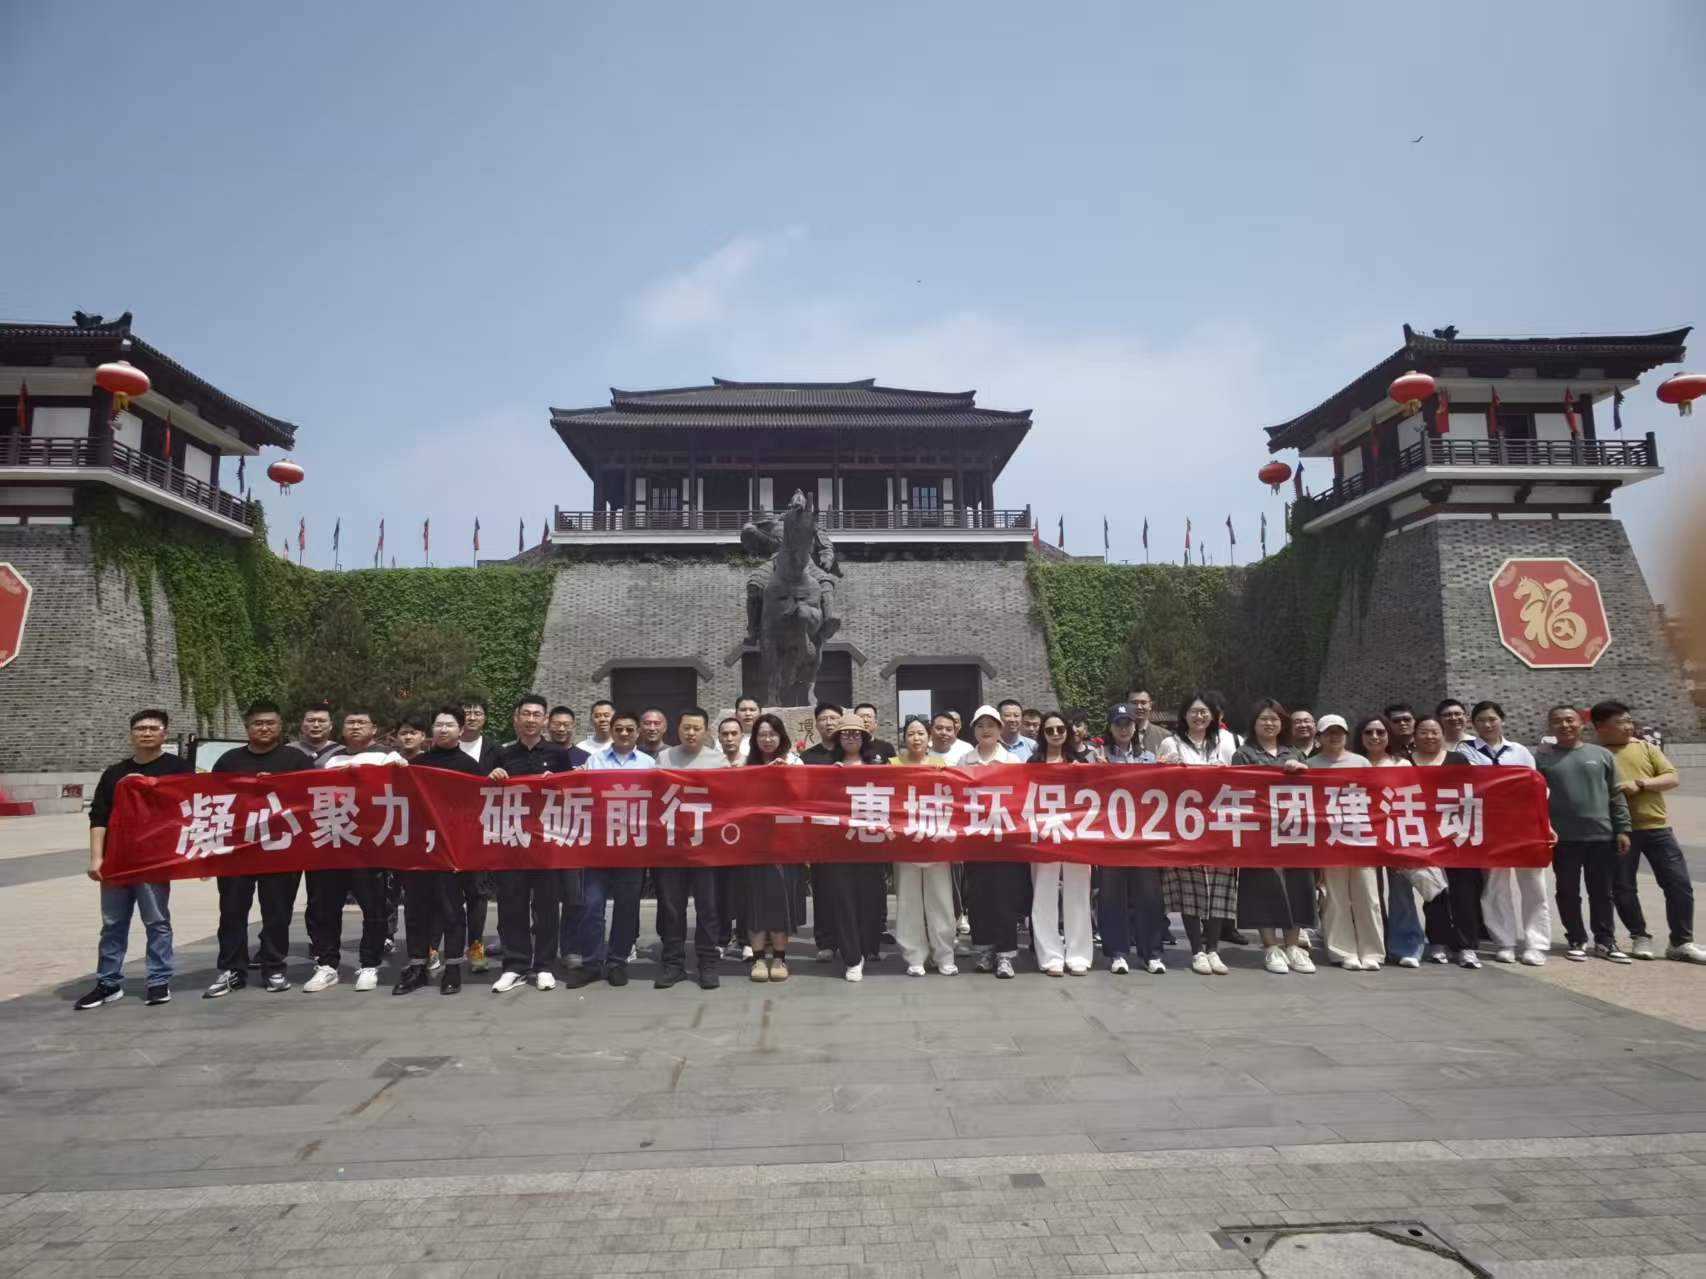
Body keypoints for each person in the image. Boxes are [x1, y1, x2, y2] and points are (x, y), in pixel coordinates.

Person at [75, 710, 195, 1011]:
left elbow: (191, 809)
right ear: (131, 734)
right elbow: (99, 816)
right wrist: (96, 858)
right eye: (140, 728)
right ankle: (108, 982)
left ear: (164, 733)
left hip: (153, 859)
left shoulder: (178, 768)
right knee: (112, 923)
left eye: (154, 728)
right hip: (117, 858)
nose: (147, 733)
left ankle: (158, 980)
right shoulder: (114, 773)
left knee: (156, 920)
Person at [206, 700, 319, 997]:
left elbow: (311, 799)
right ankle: (232, 969)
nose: (264, 728)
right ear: (247, 727)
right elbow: (212, 802)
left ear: (280, 727)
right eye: (258, 723)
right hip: (237, 851)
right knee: (232, 911)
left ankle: (274, 967)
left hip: (280, 849)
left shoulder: (296, 760)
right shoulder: (229, 761)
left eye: (270, 723)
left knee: (277, 913)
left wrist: (281, 787)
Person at [302, 707, 406, 994]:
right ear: (342, 728)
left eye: (362, 722)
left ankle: (370, 964)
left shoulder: (388, 757)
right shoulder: (330, 759)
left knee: (374, 908)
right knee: (327, 908)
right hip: (334, 844)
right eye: (351, 722)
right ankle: (327, 964)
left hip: (369, 847)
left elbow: (402, 789)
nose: (356, 727)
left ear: (374, 729)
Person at [1593, 700, 1705, 963]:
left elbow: (1671, 777)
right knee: (1623, 887)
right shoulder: (1596, 755)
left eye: (1629, 721)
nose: (1628, 726)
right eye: (1621, 722)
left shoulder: (1645, 748)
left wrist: (1640, 784)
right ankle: (1639, 935)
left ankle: (1681, 942)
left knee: (1678, 884)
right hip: (1620, 832)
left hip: (1657, 828)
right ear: (1600, 726)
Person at [486, 693, 581, 992]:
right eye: (525, 714)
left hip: (545, 842)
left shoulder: (558, 754)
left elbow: (571, 796)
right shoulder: (501, 754)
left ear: (545, 720)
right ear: (516, 718)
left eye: (536, 714)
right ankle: (514, 965)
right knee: (511, 904)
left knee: (547, 906)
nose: (530, 719)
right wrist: (493, 777)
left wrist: (561, 782)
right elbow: (485, 793)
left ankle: (543, 965)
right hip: (511, 840)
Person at [394, 706, 487, 995]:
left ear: (461, 730)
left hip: (452, 851)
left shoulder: (469, 767)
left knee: (451, 910)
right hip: (419, 850)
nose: (443, 729)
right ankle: (417, 966)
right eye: (438, 724)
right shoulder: (416, 764)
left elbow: (477, 811)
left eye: (449, 725)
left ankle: (454, 968)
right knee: (415, 910)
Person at [1538, 706, 1633, 964]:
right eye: (1557, 721)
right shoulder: (1543, 759)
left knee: (1602, 891)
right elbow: (1536, 798)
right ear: (1550, 727)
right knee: (1567, 891)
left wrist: (1623, 828)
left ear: (1582, 723)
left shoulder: (1601, 755)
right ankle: (1576, 938)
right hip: (1563, 838)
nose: (1564, 725)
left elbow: (1615, 794)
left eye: (1570, 720)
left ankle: (1605, 940)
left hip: (1601, 836)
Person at [563, 710, 651, 989]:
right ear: (611, 731)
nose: (624, 734)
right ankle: (591, 963)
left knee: (627, 908)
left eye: (629, 729)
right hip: (598, 847)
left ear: (637, 733)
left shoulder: (649, 764)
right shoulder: (595, 761)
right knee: (591, 907)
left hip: (632, 847)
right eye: (619, 729)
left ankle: (617, 962)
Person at [1230, 699, 1316, 976]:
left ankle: (1293, 946)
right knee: (1263, 887)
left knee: (1297, 884)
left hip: (1293, 831)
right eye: (1264, 719)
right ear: (1254, 723)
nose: (1269, 723)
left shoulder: (1295, 752)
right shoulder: (1243, 754)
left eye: (1275, 719)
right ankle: (1271, 946)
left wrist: (1300, 771)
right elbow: (1238, 790)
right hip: (1260, 832)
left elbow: (1312, 789)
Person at [1463, 700, 1550, 966]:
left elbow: (1537, 788)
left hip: (1524, 825)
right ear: (1473, 724)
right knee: (1495, 885)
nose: (1487, 724)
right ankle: (1505, 941)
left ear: (1502, 720)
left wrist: (1546, 823)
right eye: (1481, 720)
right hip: (1489, 827)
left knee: (1533, 885)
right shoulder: (1465, 751)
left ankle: (1536, 944)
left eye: (1492, 719)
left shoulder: (1520, 751)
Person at [1159, 692, 1239, 975]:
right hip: (1185, 824)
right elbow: (1161, 779)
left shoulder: (1227, 742)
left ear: (1213, 716)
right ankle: (1196, 950)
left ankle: (1213, 948)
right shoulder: (1171, 743)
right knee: (1190, 889)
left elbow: (1241, 775)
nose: (1199, 716)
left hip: (1220, 822)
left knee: (1219, 887)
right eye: (1194, 711)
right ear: (1184, 715)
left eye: (1204, 712)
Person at [653, 707, 727, 990]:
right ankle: (673, 964)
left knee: (708, 907)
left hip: (706, 848)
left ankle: (708, 963)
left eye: (697, 728)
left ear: (706, 731)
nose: (691, 733)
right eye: (686, 728)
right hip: (672, 846)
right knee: (672, 908)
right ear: (678, 729)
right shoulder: (664, 758)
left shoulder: (718, 761)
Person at [1309, 715, 1383, 970]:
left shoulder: (1361, 762)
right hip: (1329, 839)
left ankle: (1372, 952)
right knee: (1335, 898)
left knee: (1368, 895)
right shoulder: (1311, 765)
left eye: (1338, 732)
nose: (1334, 737)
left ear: (1346, 735)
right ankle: (1342, 952)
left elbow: (1374, 796)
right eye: (1328, 732)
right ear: (1319, 737)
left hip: (1361, 838)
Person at [1099, 702, 1166, 975]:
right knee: (1112, 896)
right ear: (1110, 727)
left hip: (1143, 838)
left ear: (1134, 727)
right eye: (1118, 724)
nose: (1124, 728)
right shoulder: (1098, 757)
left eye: (1128, 723)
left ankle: (1152, 953)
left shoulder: (1149, 758)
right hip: (1110, 838)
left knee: (1149, 896)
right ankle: (1117, 952)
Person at [1411, 716, 1483, 969]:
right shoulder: (1406, 762)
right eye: (1423, 732)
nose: (1429, 736)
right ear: (1414, 736)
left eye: (1434, 732)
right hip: (1422, 836)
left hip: (1456, 834)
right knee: (1433, 891)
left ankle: (1466, 946)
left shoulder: (1458, 760)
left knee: (1464, 891)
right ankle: (1438, 942)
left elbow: (1474, 792)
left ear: (1443, 735)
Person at [740, 714, 808, 981]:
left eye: (772, 734)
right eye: (762, 735)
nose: (767, 739)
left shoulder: (795, 763)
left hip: (786, 844)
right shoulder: (746, 766)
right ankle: (758, 958)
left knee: (781, 900)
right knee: (755, 900)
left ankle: (779, 957)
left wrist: (787, 775)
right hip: (753, 845)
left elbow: (805, 798)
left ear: (781, 737)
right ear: (755, 739)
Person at [821, 712, 888, 981]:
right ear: (838, 738)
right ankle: (851, 957)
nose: (851, 737)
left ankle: (867, 947)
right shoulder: (826, 767)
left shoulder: (877, 766)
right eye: (846, 733)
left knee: (871, 900)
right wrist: (830, 779)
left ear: (864, 737)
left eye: (856, 733)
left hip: (871, 844)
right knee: (844, 901)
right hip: (839, 846)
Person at [889, 717, 957, 977]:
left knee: (941, 900)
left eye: (920, 733)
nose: (916, 738)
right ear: (904, 737)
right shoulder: (892, 765)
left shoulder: (941, 765)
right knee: (908, 901)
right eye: (910, 733)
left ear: (929, 738)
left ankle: (944, 955)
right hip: (905, 841)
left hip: (936, 841)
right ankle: (914, 956)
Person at [962, 705, 1025, 978]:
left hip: (1005, 842)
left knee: (1004, 899)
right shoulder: (964, 761)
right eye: (980, 725)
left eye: (990, 725)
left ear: (1000, 730)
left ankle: (1005, 955)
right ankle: (983, 951)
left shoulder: (1012, 761)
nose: (985, 730)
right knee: (978, 899)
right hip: (975, 842)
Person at [1029, 711, 1093, 976]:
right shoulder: (1033, 762)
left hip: (1075, 834)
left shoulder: (1081, 761)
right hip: (1044, 833)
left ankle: (1078, 954)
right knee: (1043, 893)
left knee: (1078, 892)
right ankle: (1050, 956)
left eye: (1060, 729)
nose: (1055, 734)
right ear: (1042, 734)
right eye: (1049, 730)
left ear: (1068, 732)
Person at [1359, 714, 1424, 969]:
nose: (1375, 737)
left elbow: (1414, 800)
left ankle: (1407, 946)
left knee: (1401, 891)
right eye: (1368, 732)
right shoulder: (1354, 763)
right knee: (1368, 893)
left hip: (1396, 834)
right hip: (1362, 836)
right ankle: (1377, 944)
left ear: (1389, 735)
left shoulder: (1402, 764)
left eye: (1380, 732)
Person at [799, 701, 844, 962]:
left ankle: (851, 939)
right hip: (819, 833)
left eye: (834, 718)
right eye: (824, 719)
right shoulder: (807, 757)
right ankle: (826, 942)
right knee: (823, 888)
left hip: (849, 832)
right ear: (815, 724)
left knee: (849, 889)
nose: (829, 723)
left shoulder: (851, 751)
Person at [458, 696, 500, 772]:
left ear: (485, 718)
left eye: (477, 714)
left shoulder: (496, 751)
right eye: (467, 713)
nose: (472, 718)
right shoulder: (446, 746)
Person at [1124, 689, 1171, 756]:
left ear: (1150, 705)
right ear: (1126, 705)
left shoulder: (1165, 736)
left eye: (1143, 703)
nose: (1139, 707)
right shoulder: (1116, 735)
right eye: (1134, 703)